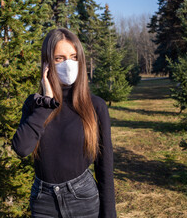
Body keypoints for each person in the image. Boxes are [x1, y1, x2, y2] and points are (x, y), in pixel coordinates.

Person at [12, 28, 117, 218]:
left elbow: (105, 168)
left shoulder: (96, 106)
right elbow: (22, 148)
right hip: (43, 202)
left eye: (73, 57)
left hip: (82, 199)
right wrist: (46, 103)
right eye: (59, 58)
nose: (68, 64)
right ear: (47, 64)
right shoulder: (35, 104)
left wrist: (109, 215)